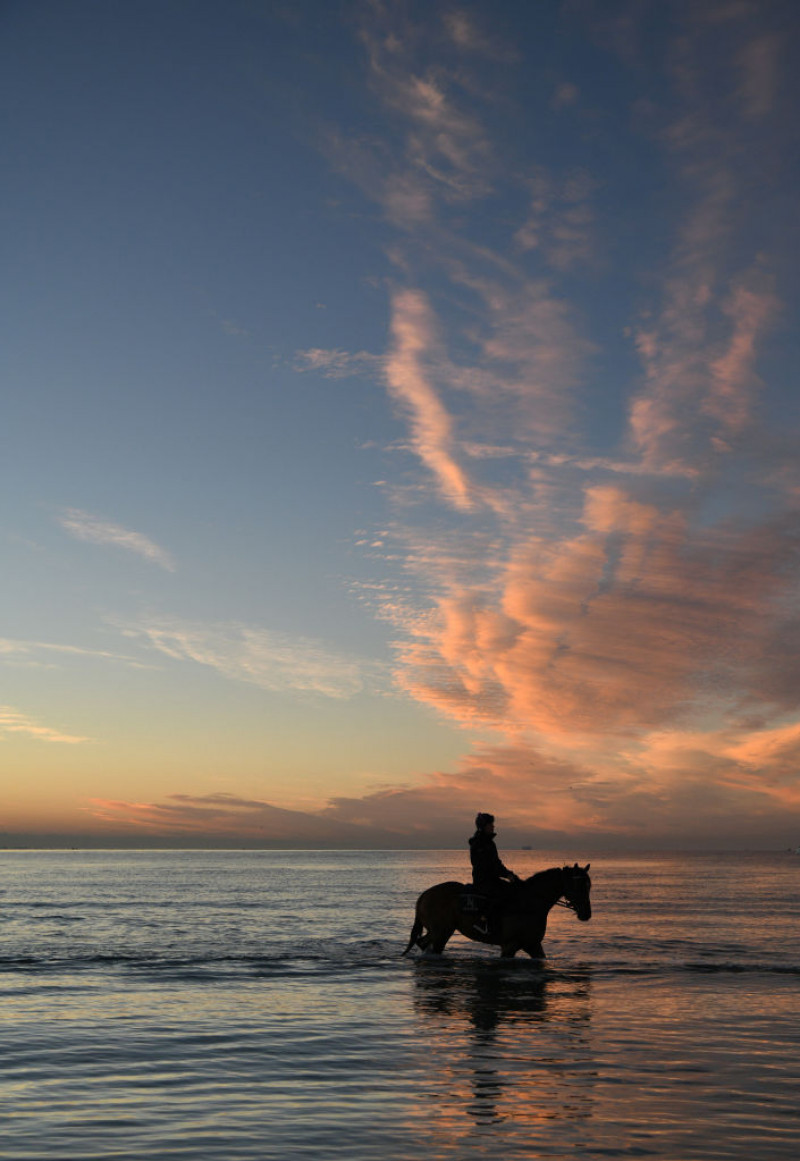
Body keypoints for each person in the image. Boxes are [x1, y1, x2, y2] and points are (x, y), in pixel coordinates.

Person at [469, 812, 519, 937]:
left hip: (492, 879)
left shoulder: (490, 843)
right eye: (490, 824)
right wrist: (503, 874)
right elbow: (481, 864)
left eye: (492, 824)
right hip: (483, 880)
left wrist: (508, 874)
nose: (493, 827)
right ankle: (482, 922)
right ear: (483, 826)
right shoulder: (478, 843)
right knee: (499, 895)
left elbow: (497, 863)